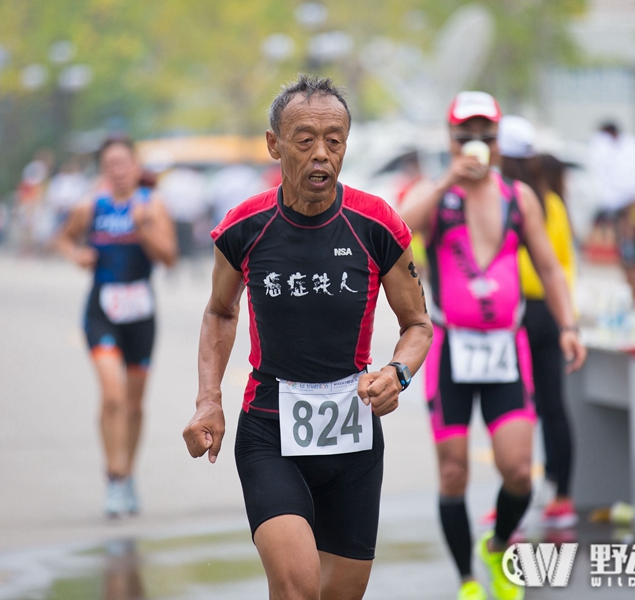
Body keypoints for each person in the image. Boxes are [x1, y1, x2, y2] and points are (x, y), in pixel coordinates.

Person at [183, 74, 432, 600]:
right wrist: (210, 399)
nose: (321, 153)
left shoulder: (377, 225)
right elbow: (219, 312)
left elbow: (418, 324)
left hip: (354, 437)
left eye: (334, 140)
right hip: (270, 433)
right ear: (274, 144)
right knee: (297, 587)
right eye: (305, 140)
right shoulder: (244, 228)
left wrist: (398, 372)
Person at [400, 93, 586, 600]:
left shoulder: (518, 197)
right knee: (455, 470)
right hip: (451, 351)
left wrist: (568, 324)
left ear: (499, 142)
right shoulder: (440, 195)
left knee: (519, 470)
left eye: (485, 136)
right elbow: (397, 229)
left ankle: (499, 547)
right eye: (466, 136)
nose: (476, 145)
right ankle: (466, 580)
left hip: (507, 348)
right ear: (450, 140)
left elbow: (549, 267)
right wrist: (447, 181)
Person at [56, 136, 178, 517]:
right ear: (103, 169)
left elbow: (170, 258)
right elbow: (63, 237)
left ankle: (128, 475)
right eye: (111, 164)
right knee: (113, 397)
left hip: (140, 312)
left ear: (135, 165)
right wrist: (77, 254)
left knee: (135, 405)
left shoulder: (151, 205)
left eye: (124, 162)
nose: (118, 170)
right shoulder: (90, 206)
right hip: (102, 310)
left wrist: (144, 231)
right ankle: (114, 477)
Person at [498, 117, 579, 527]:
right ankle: (562, 496)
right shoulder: (552, 201)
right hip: (550, 311)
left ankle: (512, 499)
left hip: (515, 313)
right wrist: (569, 319)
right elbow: (563, 265)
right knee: (552, 405)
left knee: (514, 408)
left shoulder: (507, 199)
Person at [587, 121, 635, 290]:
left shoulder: (631, 150)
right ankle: (634, 297)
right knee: (628, 260)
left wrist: (629, 219)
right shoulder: (619, 153)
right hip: (625, 216)